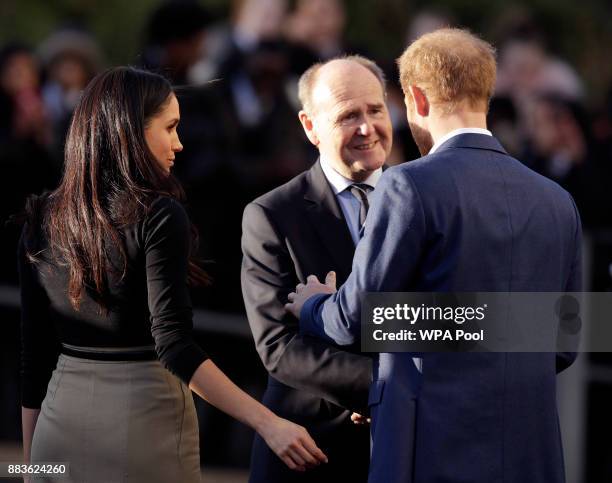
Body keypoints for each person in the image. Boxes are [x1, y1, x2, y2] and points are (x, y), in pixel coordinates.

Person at [286, 29, 582, 483]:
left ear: (417, 100)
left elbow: (353, 320)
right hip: (531, 451)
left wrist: (312, 305)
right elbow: (563, 342)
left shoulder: (407, 186)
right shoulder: (558, 201)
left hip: (429, 447)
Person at [19, 66, 327, 483]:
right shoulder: (159, 215)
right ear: (130, 131)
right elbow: (175, 347)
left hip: (55, 428)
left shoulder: (41, 217)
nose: (179, 143)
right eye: (170, 127)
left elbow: (34, 357)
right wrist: (267, 422)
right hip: (140, 424)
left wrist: (33, 462)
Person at [241, 55, 392, 483]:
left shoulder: (422, 203)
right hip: (307, 451)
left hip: (400, 449)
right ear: (311, 127)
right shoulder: (273, 214)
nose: (367, 128)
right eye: (348, 116)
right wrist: (382, 387)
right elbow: (278, 346)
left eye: (375, 110)